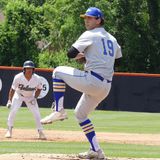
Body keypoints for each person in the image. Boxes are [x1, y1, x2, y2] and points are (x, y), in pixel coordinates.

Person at [41, 7, 122, 159]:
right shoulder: (113, 39)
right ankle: (96, 151)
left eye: (90, 18)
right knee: (80, 114)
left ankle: (59, 110)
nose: (86, 20)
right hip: (105, 87)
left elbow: (70, 53)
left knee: (57, 71)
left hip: (92, 80)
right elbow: (118, 63)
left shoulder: (90, 34)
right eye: (85, 18)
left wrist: (82, 57)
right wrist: (89, 58)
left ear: (99, 20)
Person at [5, 60, 46, 140]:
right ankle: (9, 130)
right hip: (19, 95)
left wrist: (35, 98)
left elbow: (39, 89)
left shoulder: (37, 78)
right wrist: (9, 100)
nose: (29, 70)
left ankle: (40, 131)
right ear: (24, 69)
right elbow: (12, 89)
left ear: (33, 70)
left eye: (31, 68)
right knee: (13, 110)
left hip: (30, 97)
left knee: (36, 113)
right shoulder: (18, 77)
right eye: (27, 68)